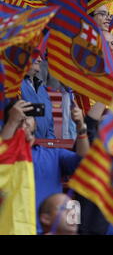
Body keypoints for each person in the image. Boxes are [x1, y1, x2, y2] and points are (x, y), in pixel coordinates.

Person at [0, 99, 90, 234]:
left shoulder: (53, 154)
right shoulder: (6, 155)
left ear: (35, 123)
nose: (23, 118)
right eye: (19, 115)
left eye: (28, 115)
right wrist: (12, 122)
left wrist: (81, 127)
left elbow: (84, 163)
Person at [21, 56, 55, 139]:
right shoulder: (15, 87)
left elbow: (49, 123)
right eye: (35, 54)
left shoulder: (41, 88)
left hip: (42, 148)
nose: (40, 59)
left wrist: (49, 144)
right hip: (24, 146)